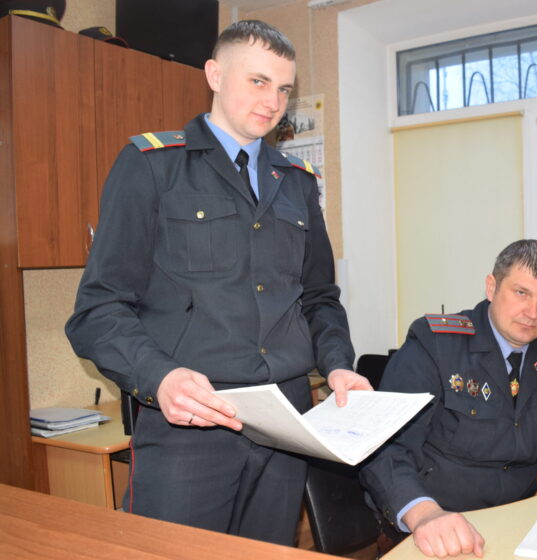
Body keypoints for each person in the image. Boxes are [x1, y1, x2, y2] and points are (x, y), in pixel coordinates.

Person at [65, 20, 370, 545]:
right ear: (214, 74)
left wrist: (339, 364)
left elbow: (318, 298)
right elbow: (98, 310)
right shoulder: (154, 166)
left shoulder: (297, 183)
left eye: (284, 89)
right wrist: (159, 377)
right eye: (258, 81)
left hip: (284, 424)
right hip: (191, 424)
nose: (273, 102)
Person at [360, 239, 537, 558]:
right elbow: (382, 447)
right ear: (492, 287)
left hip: (518, 526)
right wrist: (423, 513)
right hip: (435, 527)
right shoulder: (436, 346)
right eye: (521, 293)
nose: (532, 313)